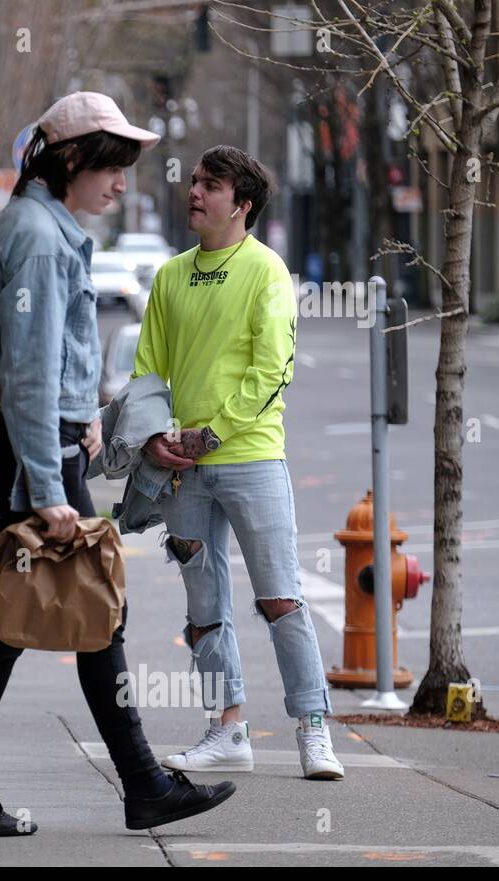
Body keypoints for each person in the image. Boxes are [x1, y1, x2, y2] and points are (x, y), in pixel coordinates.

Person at [0, 93, 237, 837]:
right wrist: (42, 483)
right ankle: (136, 784)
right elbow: (26, 374)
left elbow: (45, 363)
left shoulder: (43, 227)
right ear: (70, 161)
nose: (122, 182)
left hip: (50, 442)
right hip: (37, 453)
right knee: (84, 612)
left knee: (50, 617)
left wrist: (85, 415)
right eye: (112, 165)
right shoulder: (36, 235)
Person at [133, 144, 344, 780]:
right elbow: (148, 372)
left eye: (211, 185)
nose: (194, 192)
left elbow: (271, 369)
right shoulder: (170, 276)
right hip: (182, 469)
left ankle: (313, 731)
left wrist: (211, 435)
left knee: (281, 598)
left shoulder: (267, 271)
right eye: (195, 181)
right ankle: (229, 730)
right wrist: (151, 438)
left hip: (251, 458)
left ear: (242, 204)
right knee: (204, 605)